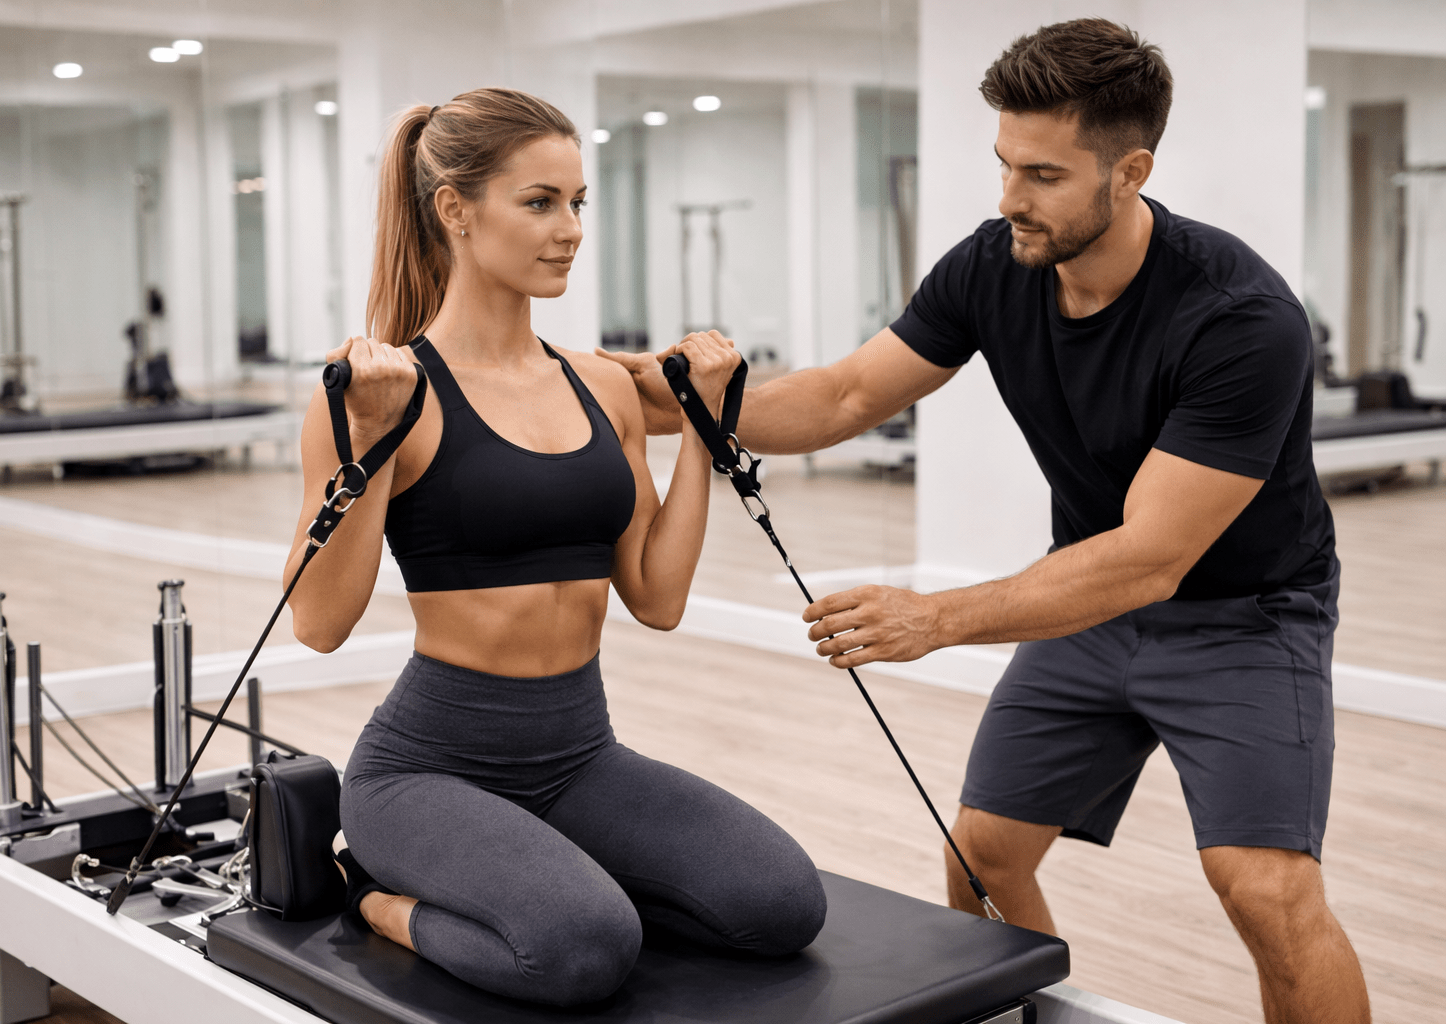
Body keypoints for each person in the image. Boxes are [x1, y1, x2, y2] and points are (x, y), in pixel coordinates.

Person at [602, 20, 1369, 1024]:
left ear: (1130, 172)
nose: (1009, 197)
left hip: (1243, 618)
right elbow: (843, 396)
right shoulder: (994, 264)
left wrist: (936, 618)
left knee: (1265, 889)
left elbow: (1151, 557)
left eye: (1043, 175)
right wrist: (659, 402)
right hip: (1091, 599)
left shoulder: (1238, 319)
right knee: (984, 856)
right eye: (1005, 164)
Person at [283, 88, 826, 1008]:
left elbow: (657, 597)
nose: (570, 229)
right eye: (539, 203)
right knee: (583, 947)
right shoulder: (390, 394)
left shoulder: (602, 386)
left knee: (780, 905)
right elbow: (318, 624)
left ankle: (546, 875)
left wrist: (701, 425)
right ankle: (376, 897)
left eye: (577, 202)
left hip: (579, 756)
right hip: (427, 770)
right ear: (456, 210)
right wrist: (368, 442)